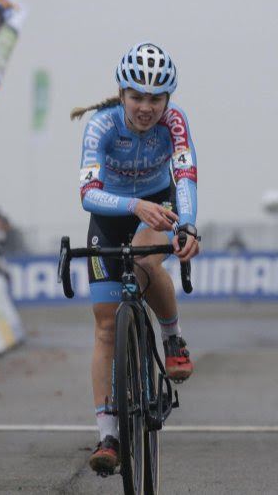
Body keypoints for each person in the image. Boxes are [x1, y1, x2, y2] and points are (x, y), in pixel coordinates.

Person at [70, 42, 200, 473]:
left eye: (156, 99)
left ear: (168, 99)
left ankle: (172, 337)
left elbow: (185, 177)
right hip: (110, 213)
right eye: (137, 97)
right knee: (106, 326)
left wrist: (187, 226)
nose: (146, 108)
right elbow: (89, 195)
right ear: (122, 94)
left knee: (147, 262)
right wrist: (132, 206)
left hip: (158, 205)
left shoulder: (175, 122)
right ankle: (107, 435)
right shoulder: (101, 125)